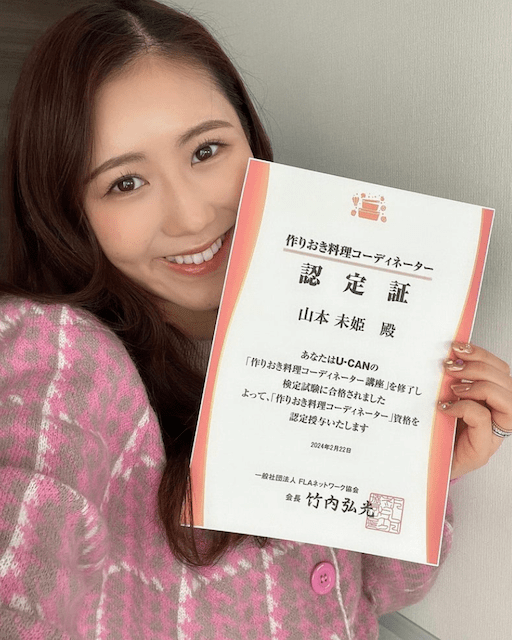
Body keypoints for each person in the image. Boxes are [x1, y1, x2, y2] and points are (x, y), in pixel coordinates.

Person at [0, 1, 510, 638]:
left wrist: (425, 469)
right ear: (65, 210)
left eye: (206, 150)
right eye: (125, 183)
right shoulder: (58, 354)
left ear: (251, 138)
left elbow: (379, 592)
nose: (192, 216)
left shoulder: (333, 327)